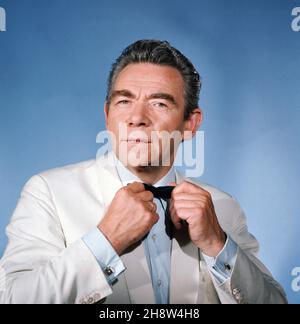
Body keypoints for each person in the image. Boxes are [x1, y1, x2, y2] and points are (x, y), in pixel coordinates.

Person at [0, 40, 287, 304]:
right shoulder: (48, 192)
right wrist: (105, 240)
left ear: (190, 123)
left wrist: (217, 244)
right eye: (124, 101)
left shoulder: (223, 207)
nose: (137, 118)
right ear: (107, 115)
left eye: (159, 103)